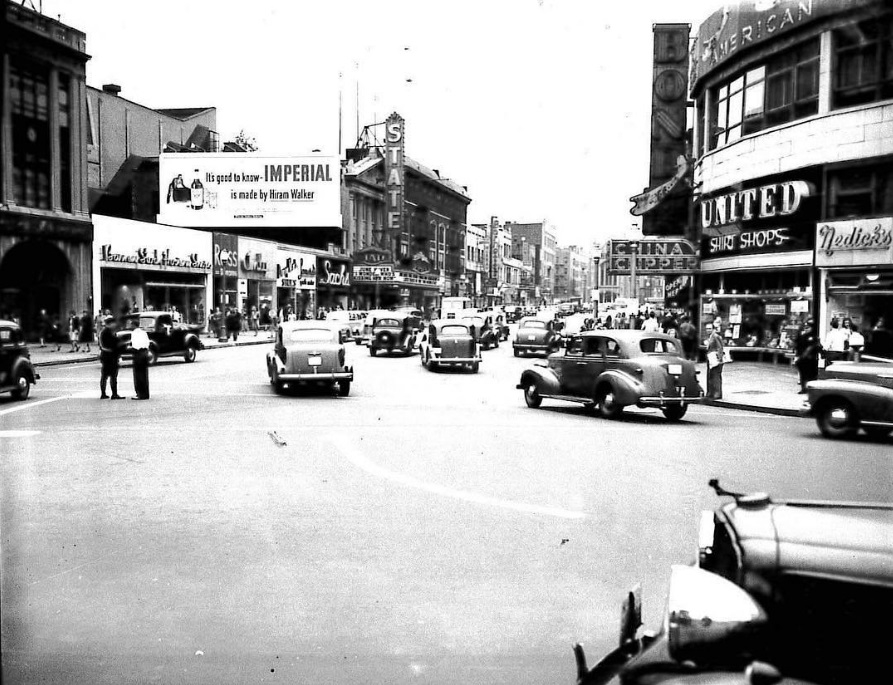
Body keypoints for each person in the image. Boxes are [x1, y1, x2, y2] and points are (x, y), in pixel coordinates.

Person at [98, 316, 124, 400]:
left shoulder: (104, 332)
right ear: (110, 324)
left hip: (106, 356)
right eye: (114, 323)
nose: (115, 325)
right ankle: (114, 394)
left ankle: (104, 393)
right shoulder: (108, 333)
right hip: (110, 356)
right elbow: (113, 344)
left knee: (105, 376)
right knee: (112, 376)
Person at [794, 318, 821, 394]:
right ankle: (803, 388)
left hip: (810, 359)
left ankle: (811, 389)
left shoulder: (813, 337)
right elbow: (797, 346)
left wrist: (802, 357)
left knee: (811, 375)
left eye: (808, 328)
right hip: (802, 359)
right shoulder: (802, 336)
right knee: (803, 374)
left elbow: (810, 348)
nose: (806, 329)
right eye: (805, 328)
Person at [129, 320, 151, 400]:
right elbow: (147, 343)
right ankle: (146, 393)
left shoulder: (134, 333)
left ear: (134, 325)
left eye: (131, 325)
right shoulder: (144, 333)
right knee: (144, 374)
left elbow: (135, 345)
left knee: (138, 374)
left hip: (138, 354)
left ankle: (139, 393)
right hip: (144, 353)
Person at [705, 322, 725, 400]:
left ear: (713, 329)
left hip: (715, 360)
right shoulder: (710, 337)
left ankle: (717, 393)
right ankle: (710, 392)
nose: (708, 330)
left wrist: (719, 359)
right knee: (710, 376)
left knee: (716, 376)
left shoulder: (716, 336)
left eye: (710, 328)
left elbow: (720, 348)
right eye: (707, 329)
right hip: (710, 359)